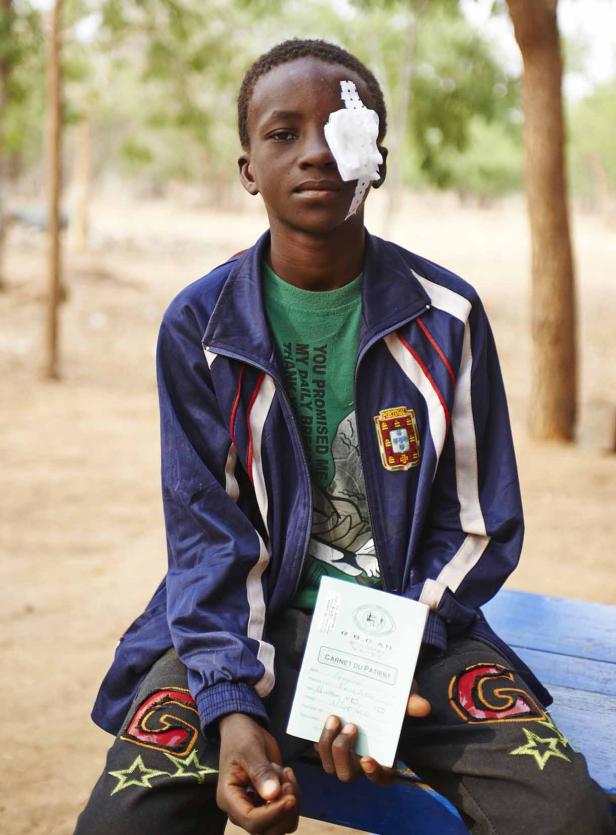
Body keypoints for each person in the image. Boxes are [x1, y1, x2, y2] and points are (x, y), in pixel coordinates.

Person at [75, 38, 614, 835]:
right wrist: (228, 705)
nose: (316, 152)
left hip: (413, 631)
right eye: (283, 133)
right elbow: (204, 538)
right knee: (123, 824)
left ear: (378, 161)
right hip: (234, 632)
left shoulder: (446, 318)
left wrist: (380, 667)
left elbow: (478, 523)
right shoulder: (201, 326)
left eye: (342, 130)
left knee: (567, 813)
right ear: (248, 168)